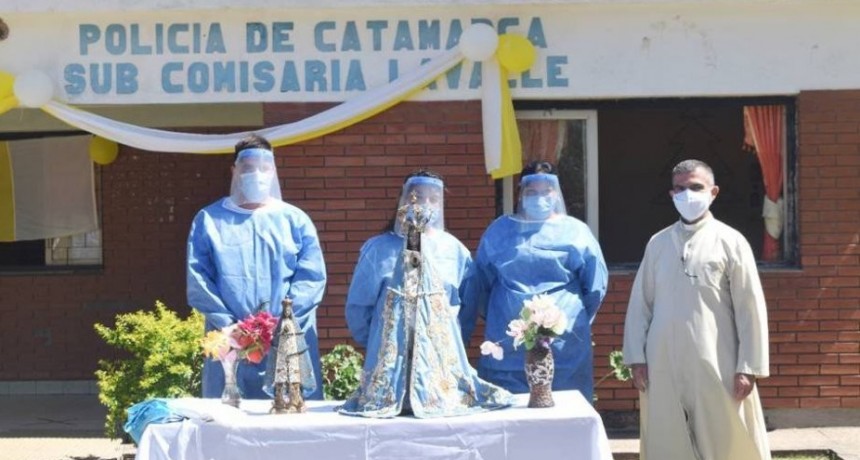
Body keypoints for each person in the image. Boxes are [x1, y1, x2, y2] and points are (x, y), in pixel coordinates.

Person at [622, 159, 771, 460]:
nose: (687, 194)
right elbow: (641, 304)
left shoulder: (731, 242)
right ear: (671, 194)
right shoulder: (658, 243)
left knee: (726, 438)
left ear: (713, 192)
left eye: (695, 187)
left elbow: (750, 308)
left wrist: (748, 366)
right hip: (662, 361)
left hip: (718, 360)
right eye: (680, 188)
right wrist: (636, 358)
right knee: (667, 437)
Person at [340, 170, 512, 418]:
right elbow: (358, 308)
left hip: (440, 373)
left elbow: (466, 308)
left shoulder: (455, 250)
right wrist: (382, 342)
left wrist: (448, 345)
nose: (424, 203)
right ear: (403, 200)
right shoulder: (377, 249)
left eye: (433, 198)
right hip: (389, 370)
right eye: (417, 196)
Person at [187, 133, 327, 400]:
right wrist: (232, 328)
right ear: (235, 171)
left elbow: (311, 279)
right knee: (228, 421)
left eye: (264, 168)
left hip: (287, 338)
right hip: (230, 339)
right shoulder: (209, 220)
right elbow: (199, 280)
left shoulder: (294, 221)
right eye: (248, 168)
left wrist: (277, 324)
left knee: (290, 420)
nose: (257, 174)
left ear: (273, 171)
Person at [460, 160, 608, 402]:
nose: (539, 197)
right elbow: (481, 284)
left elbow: (594, 287)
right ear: (520, 192)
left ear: (556, 193)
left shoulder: (576, 231)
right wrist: (503, 313)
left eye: (546, 191)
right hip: (508, 342)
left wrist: (568, 317)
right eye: (531, 191)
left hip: (562, 341)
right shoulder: (500, 230)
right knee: (507, 413)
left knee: (565, 411)